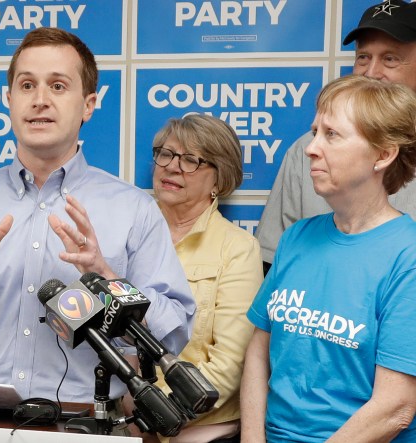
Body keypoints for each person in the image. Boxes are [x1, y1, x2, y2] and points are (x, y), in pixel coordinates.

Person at [0, 27, 195, 405]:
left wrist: (107, 276)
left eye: (58, 86)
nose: (40, 100)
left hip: (84, 423)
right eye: (27, 86)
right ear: (9, 100)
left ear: (88, 104)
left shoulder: (134, 209)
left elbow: (171, 333)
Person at [241, 75, 416, 441]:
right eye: (314, 131)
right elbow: (258, 353)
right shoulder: (297, 238)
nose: (311, 148)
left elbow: (396, 406)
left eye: (331, 135)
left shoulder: (408, 255)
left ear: (383, 154)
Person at [256, 0, 416, 273]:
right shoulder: (307, 148)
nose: (371, 72)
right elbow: (271, 262)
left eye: (390, 59)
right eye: (363, 57)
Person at [152, 114, 263, 442]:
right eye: (166, 154)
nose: (172, 167)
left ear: (219, 180)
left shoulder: (238, 249)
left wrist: (153, 414)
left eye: (191, 160)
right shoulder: (127, 233)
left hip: (199, 431)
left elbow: (228, 366)